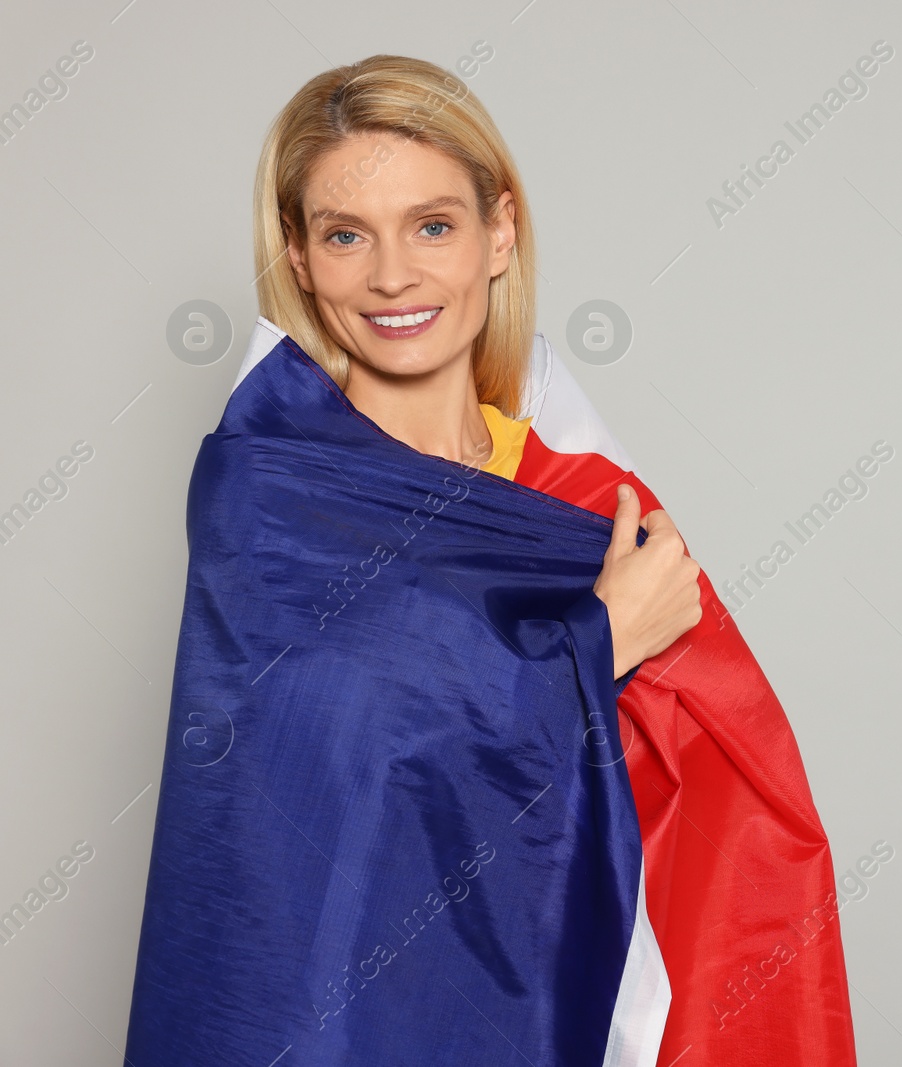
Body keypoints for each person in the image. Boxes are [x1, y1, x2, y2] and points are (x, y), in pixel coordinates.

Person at [125, 54, 856, 1066]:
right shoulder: (267, 492)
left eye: (433, 225)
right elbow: (304, 784)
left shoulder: (585, 503)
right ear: (297, 256)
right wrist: (592, 650)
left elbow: (735, 809)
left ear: (499, 230)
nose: (392, 276)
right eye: (346, 235)